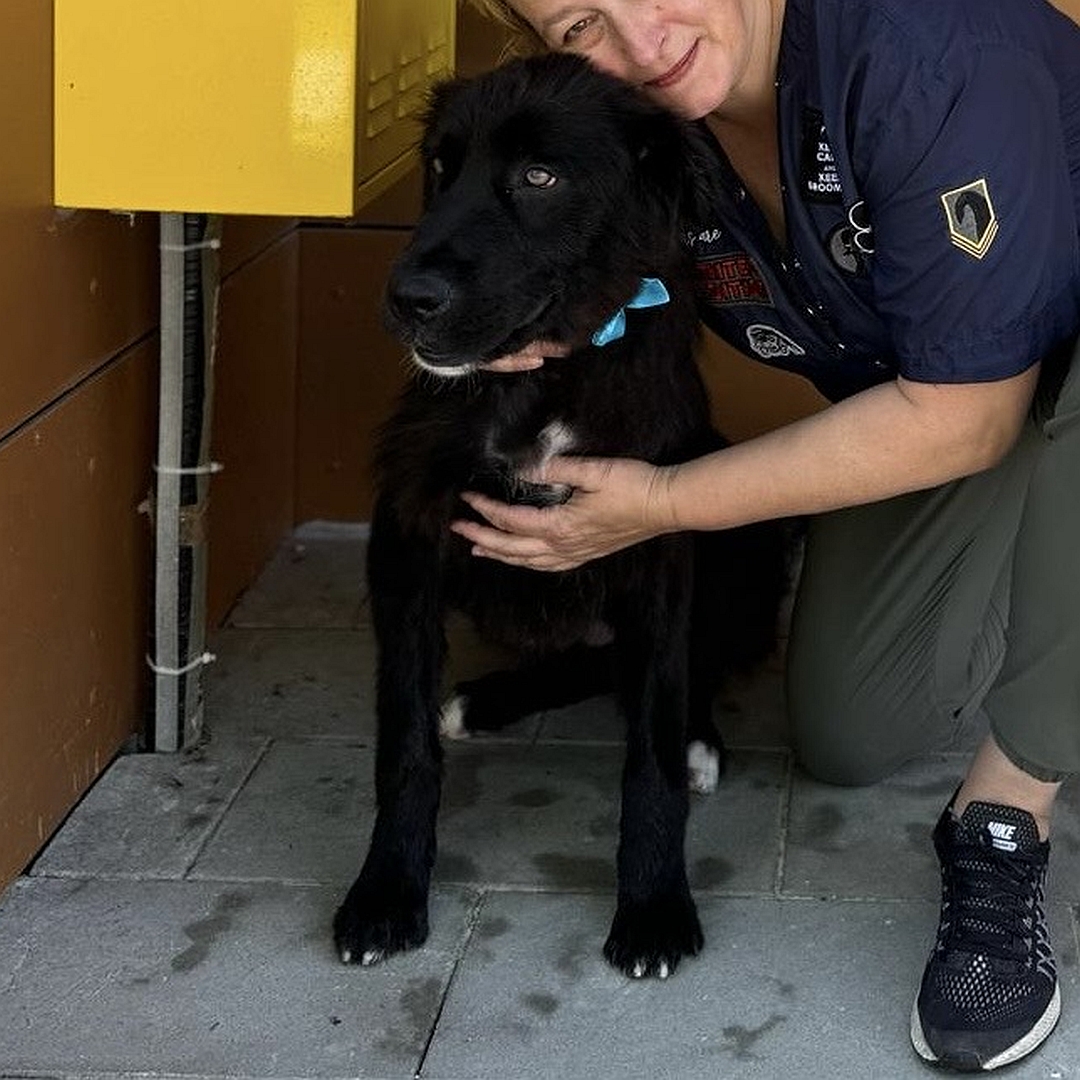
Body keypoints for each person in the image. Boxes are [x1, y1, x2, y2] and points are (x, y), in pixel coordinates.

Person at [454, 0, 1080, 1070]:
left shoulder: (925, 56)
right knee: (850, 735)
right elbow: (617, 277)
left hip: (988, 393)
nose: (643, 45)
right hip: (967, 397)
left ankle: (1010, 812)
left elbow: (963, 417)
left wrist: (659, 503)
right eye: (579, 26)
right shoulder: (653, 126)